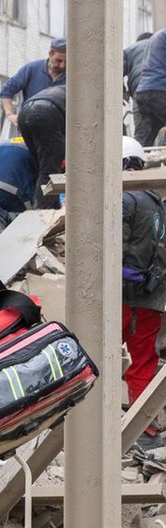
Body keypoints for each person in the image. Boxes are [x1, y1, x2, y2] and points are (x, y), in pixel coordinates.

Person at [120, 137, 166, 412]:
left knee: (98, 356)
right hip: (151, 298)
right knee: (143, 360)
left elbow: (114, 246)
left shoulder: (123, 197)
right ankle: (145, 424)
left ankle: (94, 424)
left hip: (119, 296)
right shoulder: (157, 202)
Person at [15, 82, 67, 209]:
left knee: (42, 168)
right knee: (49, 171)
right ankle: (45, 214)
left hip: (25, 112)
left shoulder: (66, 90)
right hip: (48, 112)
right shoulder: (89, 99)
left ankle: (41, 206)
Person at [0, 38, 66, 129]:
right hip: (30, 127)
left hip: (59, 130)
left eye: (66, 61)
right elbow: (7, 91)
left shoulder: (73, 78)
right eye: (58, 60)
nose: (62, 65)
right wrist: (9, 114)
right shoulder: (32, 69)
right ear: (51, 53)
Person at [136, 29, 166, 147]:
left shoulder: (157, 35)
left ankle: (140, 157)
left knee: (147, 138)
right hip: (159, 91)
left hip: (143, 91)